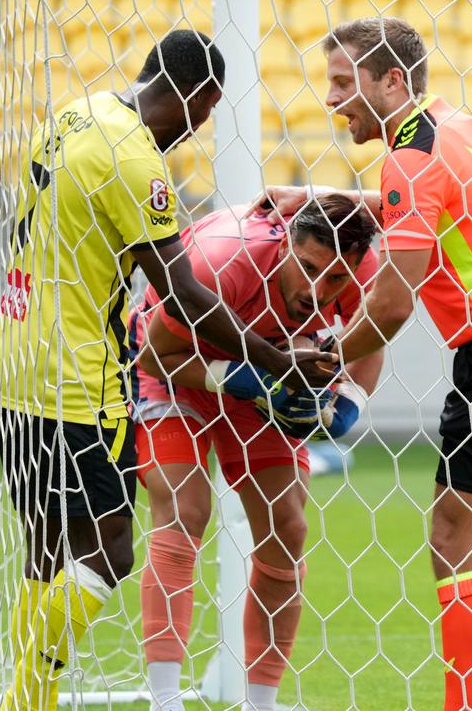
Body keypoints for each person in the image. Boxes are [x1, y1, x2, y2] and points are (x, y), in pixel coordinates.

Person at [0, 30, 336, 711]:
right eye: (205, 113)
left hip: (15, 359)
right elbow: (183, 296)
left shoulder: (74, 115)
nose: (200, 128)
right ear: (198, 97)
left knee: (48, 545)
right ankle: (22, 698)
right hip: (77, 375)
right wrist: (274, 359)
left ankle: (33, 700)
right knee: (112, 547)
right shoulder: (137, 162)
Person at [255, 17, 472, 711]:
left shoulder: (408, 156)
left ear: (392, 81)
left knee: (451, 537)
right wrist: (318, 201)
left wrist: (324, 356)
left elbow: (394, 304)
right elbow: (424, 205)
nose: (333, 98)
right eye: (331, 83)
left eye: (346, 83)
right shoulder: (450, 126)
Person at [130, 194, 383, 711]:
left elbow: (372, 335)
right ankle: (164, 701)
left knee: (288, 528)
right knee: (184, 509)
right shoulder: (225, 260)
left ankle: (260, 704)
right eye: (308, 268)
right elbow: (156, 355)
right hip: (176, 367)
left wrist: (350, 405)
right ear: (288, 244)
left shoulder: (365, 269)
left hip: (269, 372)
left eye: (335, 280)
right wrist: (243, 378)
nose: (317, 292)